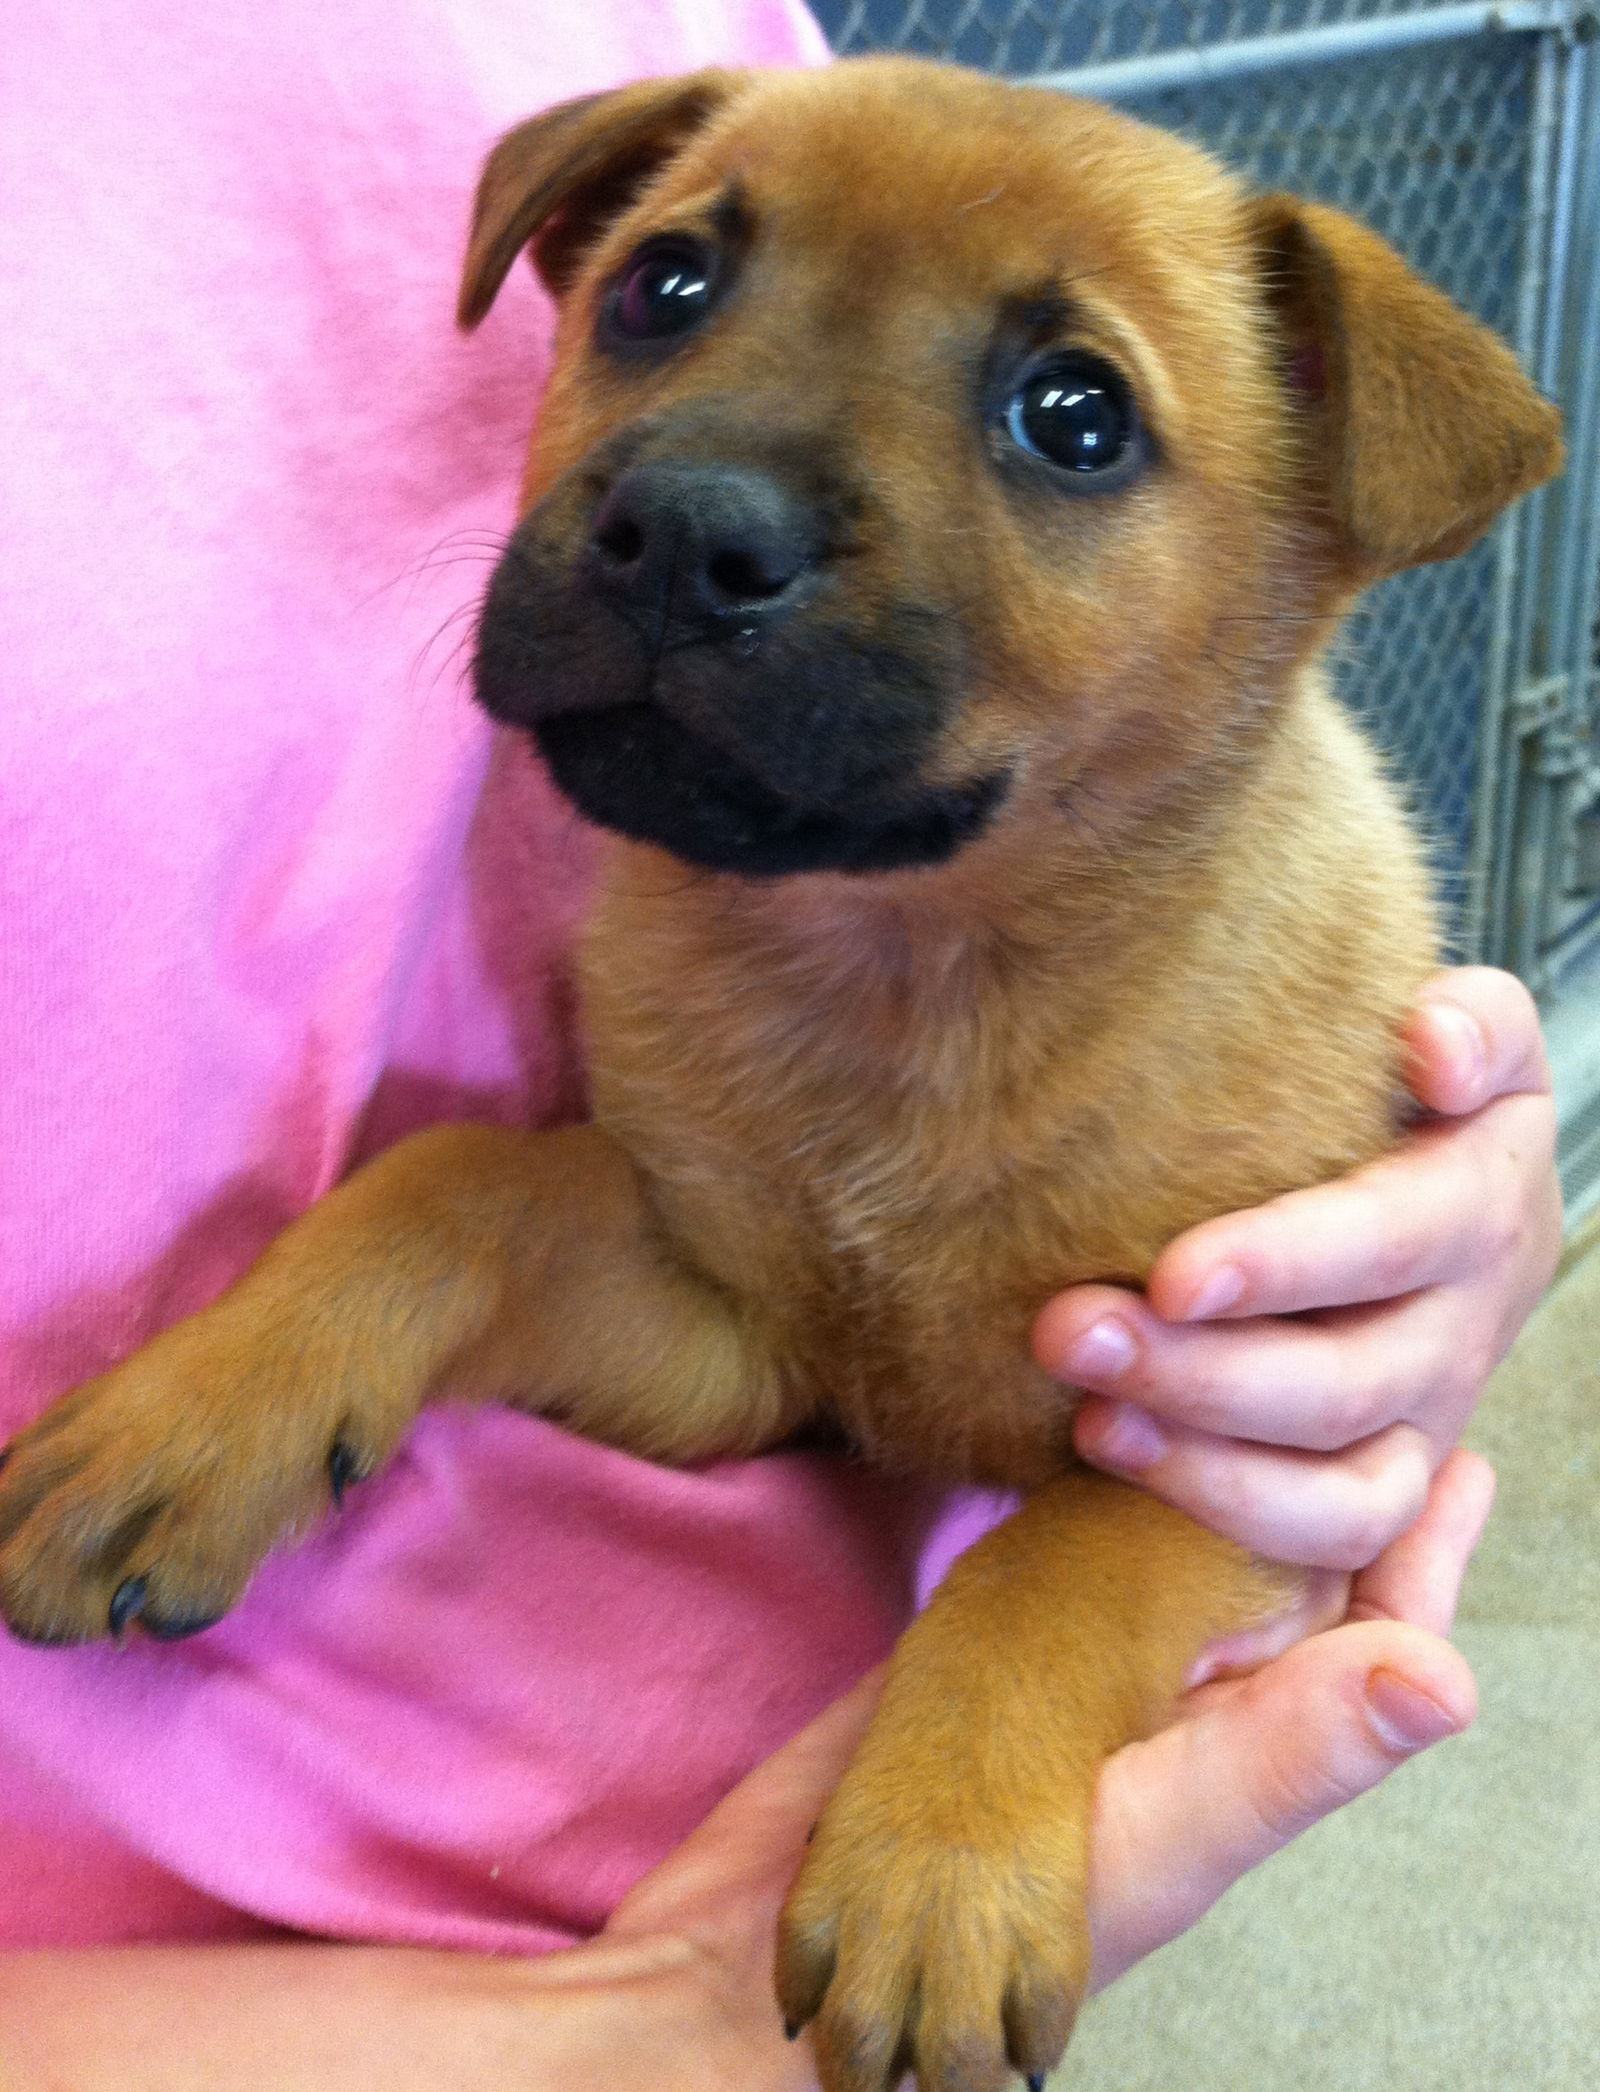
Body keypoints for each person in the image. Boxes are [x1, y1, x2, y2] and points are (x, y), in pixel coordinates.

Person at [0, 0, 1562, 2083]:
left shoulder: (1276, 1023)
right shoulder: (680, 950)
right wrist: (409, 1260)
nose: (707, 488)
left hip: (748, 1935)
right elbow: (734, 1319)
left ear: (1318, 538)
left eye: (1067, 419)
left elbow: (1228, 1456)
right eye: (669, 289)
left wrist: (1024, 1680)